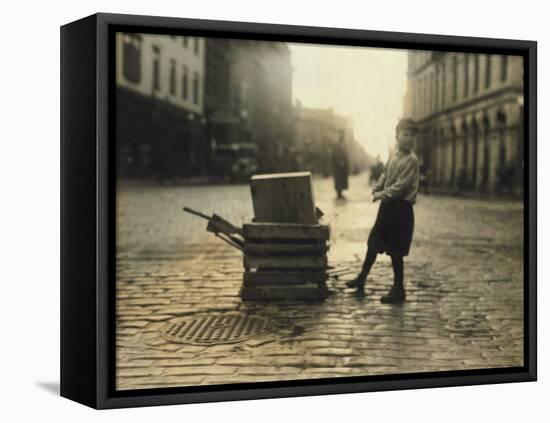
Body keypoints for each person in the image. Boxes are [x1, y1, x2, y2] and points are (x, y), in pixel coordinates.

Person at [346, 118, 420, 304]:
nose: (409, 139)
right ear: (397, 136)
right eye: (405, 134)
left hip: (401, 209)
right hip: (387, 207)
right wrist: (378, 186)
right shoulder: (394, 156)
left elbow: (401, 187)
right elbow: (385, 175)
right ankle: (361, 277)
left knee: (396, 249)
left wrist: (381, 194)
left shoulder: (412, 160)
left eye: (412, 136)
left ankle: (398, 288)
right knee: (374, 242)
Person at [332, 131, 349, 199]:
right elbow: (335, 155)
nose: (342, 137)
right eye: (341, 135)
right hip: (338, 167)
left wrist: (346, 164)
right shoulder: (337, 145)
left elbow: (345, 155)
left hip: (343, 166)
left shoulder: (343, 144)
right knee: (339, 180)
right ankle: (338, 193)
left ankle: (340, 193)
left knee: (342, 180)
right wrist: (340, 162)